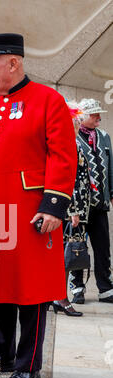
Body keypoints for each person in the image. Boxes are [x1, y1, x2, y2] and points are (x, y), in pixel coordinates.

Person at [0, 33, 77, 378]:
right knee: (1, 286)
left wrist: (54, 205)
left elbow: (63, 156)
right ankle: (4, 354)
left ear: (14, 62)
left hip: (31, 213)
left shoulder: (48, 100)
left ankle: (29, 365)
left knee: (34, 291)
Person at [70, 98, 113, 304]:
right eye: (94, 114)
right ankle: (77, 288)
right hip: (79, 206)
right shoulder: (72, 137)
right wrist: (71, 208)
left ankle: (105, 288)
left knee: (103, 248)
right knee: (77, 247)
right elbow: (69, 174)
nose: (98, 117)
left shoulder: (104, 137)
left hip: (100, 204)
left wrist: (111, 195)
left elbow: (110, 167)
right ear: (82, 116)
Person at [53, 102, 91, 316]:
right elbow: (71, 180)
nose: (77, 124)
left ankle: (58, 296)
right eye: (74, 121)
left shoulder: (73, 142)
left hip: (74, 209)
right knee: (65, 256)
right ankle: (60, 298)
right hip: (70, 210)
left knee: (64, 255)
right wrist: (73, 210)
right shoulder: (70, 144)